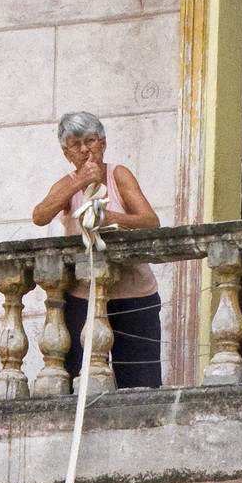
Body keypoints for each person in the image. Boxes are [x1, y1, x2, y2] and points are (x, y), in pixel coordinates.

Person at [32, 109, 163, 389]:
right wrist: (80, 181)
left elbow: (151, 221)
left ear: (102, 143)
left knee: (141, 382)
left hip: (134, 294)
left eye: (90, 141)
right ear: (67, 154)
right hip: (84, 296)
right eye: (75, 145)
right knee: (79, 380)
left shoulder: (119, 176)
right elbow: (40, 216)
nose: (84, 150)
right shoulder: (68, 184)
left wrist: (112, 218)